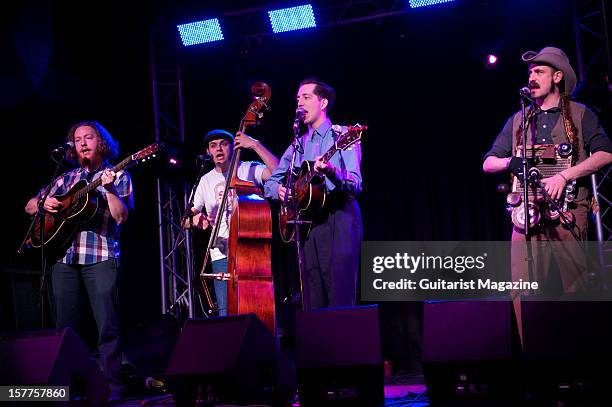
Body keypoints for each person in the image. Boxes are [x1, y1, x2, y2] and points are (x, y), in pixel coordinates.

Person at [483, 47, 612, 340]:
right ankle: (532, 363)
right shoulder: (518, 120)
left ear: (557, 77)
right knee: (522, 288)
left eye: (539, 71)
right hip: (526, 215)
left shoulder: (580, 114)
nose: (532, 76)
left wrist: (565, 175)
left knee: (577, 285)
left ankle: (582, 363)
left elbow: (606, 153)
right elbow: (488, 163)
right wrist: (509, 161)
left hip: (568, 211)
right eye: (530, 72)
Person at [25, 121, 133, 401]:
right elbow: (29, 205)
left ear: (102, 142)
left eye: (89, 137)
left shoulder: (117, 175)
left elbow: (121, 217)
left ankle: (113, 388)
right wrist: (42, 204)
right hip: (65, 259)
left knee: (107, 326)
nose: (82, 143)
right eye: (77, 139)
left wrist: (109, 190)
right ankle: (70, 389)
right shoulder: (65, 179)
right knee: (65, 329)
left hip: (101, 256)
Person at [264, 78, 363, 309]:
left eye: (306, 97)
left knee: (340, 296)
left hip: (339, 216)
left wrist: (331, 171)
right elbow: (272, 181)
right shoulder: (298, 144)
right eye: (297, 98)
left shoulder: (343, 135)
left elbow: (355, 184)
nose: (299, 102)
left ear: (323, 103)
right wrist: (278, 191)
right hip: (309, 225)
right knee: (313, 298)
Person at [186, 129, 279, 316]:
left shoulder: (248, 168)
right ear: (208, 152)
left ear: (233, 146)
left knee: (256, 306)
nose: (219, 149)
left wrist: (255, 144)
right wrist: (196, 219)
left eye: (224, 143)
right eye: (213, 146)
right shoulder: (204, 181)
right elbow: (186, 220)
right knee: (226, 311)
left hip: (251, 251)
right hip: (221, 253)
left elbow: (278, 171)